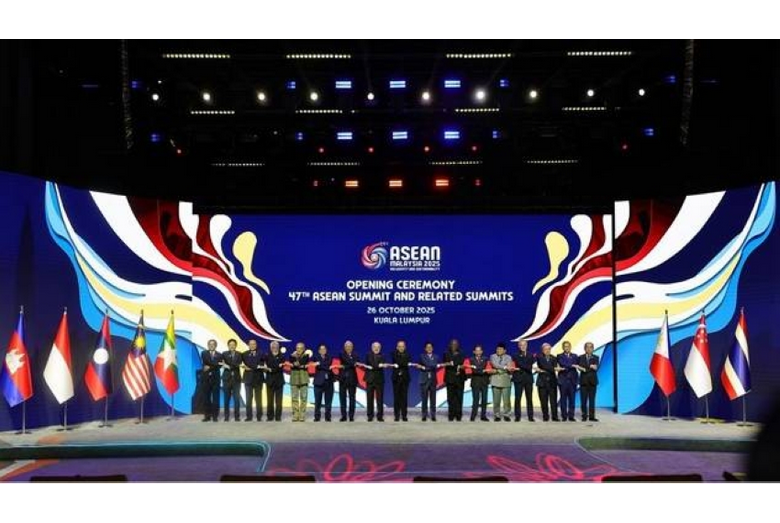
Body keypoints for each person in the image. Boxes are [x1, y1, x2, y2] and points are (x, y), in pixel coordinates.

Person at [511, 339, 535, 422]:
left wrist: (522, 367)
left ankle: (530, 416)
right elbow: (521, 364)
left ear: (527, 345)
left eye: (524, 345)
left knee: (529, 398)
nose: (523, 346)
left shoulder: (531, 355)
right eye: (521, 345)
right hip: (518, 379)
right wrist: (527, 366)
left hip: (528, 379)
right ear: (518, 346)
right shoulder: (515, 355)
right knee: (518, 398)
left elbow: (527, 366)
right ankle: (517, 416)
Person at [241, 339, 264, 421]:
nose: (252, 345)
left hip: (258, 379)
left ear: (256, 345)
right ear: (248, 345)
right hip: (248, 379)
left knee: (258, 399)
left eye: (254, 344)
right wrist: (247, 366)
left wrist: (250, 366)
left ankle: (259, 416)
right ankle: (249, 416)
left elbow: (260, 365)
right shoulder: (244, 354)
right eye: (251, 344)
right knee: (248, 399)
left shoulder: (261, 353)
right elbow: (243, 363)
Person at [200, 339, 223, 422]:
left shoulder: (220, 355)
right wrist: (216, 364)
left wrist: (210, 366)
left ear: (215, 345)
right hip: (206, 379)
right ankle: (207, 416)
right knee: (206, 398)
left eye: (213, 344)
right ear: (208, 345)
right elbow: (207, 361)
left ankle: (215, 416)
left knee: (216, 398)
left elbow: (219, 366)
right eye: (210, 344)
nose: (211, 345)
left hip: (216, 379)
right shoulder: (204, 353)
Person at [536, 342, 560, 421]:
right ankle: (545, 416)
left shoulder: (554, 358)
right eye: (545, 349)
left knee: (553, 401)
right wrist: (553, 368)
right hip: (542, 382)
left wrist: (545, 369)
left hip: (552, 382)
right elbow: (545, 366)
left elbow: (549, 368)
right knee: (543, 400)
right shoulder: (539, 357)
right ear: (542, 350)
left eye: (549, 349)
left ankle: (555, 416)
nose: (547, 351)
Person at [364, 341, 387, 422]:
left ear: (380, 348)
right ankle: (370, 415)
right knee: (369, 399)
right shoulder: (368, 355)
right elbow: (372, 364)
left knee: (380, 399)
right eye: (375, 347)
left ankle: (380, 416)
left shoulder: (383, 356)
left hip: (379, 380)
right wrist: (379, 365)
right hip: (370, 379)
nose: (376, 348)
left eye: (378, 347)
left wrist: (381, 365)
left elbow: (381, 365)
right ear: (372, 348)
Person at [416, 341, 440, 421]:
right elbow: (430, 364)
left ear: (432, 348)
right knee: (424, 398)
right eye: (427, 347)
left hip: (433, 379)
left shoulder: (436, 356)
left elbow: (433, 365)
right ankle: (424, 415)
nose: (429, 348)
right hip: (424, 379)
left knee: (433, 399)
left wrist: (424, 367)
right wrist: (432, 366)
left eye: (430, 347)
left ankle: (433, 414)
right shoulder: (422, 356)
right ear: (425, 349)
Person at [443, 338, 466, 421]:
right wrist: (452, 364)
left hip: (460, 378)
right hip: (450, 378)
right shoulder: (446, 353)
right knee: (450, 398)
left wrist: (455, 365)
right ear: (450, 345)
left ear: (458, 345)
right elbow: (446, 363)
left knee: (459, 398)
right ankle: (451, 415)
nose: (454, 346)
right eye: (452, 344)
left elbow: (462, 363)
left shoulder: (462, 353)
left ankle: (458, 415)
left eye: (455, 344)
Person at [489, 342, 512, 421]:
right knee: (496, 400)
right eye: (497, 349)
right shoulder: (492, 356)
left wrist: (498, 370)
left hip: (506, 381)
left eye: (500, 349)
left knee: (506, 400)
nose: (498, 350)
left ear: (505, 350)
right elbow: (495, 365)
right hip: (495, 380)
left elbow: (509, 366)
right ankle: (497, 415)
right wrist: (505, 368)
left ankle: (506, 414)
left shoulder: (508, 357)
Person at [557, 340, 579, 422]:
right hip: (563, 381)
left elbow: (573, 364)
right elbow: (562, 363)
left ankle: (571, 416)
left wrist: (569, 365)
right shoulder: (559, 356)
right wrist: (572, 365)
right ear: (563, 348)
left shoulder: (575, 356)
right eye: (565, 346)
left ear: (570, 347)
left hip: (573, 381)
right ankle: (564, 416)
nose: (567, 348)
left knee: (572, 399)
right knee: (563, 399)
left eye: (568, 346)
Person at [577, 341, 599, 422]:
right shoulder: (580, 357)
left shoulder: (596, 357)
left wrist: (585, 368)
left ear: (593, 349)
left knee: (592, 400)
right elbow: (580, 367)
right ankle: (584, 416)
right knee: (583, 400)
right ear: (584, 349)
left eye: (591, 347)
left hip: (593, 382)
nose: (589, 349)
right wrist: (589, 367)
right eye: (587, 347)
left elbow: (596, 368)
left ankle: (592, 416)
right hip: (583, 382)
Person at [221, 338, 243, 421]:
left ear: (236, 345)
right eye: (230, 345)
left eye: (233, 345)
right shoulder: (224, 354)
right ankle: (226, 416)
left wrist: (228, 366)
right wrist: (226, 365)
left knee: (236, 399)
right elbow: (221, 363)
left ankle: (237, 416)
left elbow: (238, 364)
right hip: (226, 379)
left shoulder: (240, 354)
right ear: (228, 346)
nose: (232, 346)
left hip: (236, 379)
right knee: (226, 398)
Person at [312, 343, 334, 422]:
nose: (323, 350)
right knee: (318, 401)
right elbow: (324, 366)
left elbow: (326, 365)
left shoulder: (330, 357)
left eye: (324, 349)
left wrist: (320, 364)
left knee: (328, 401)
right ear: (319, 351)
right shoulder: (315, 357)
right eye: (321, 349)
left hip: (329, 382)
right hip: (318, 382)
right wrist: (325, 366)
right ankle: (317, 416)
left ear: (326, 350)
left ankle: (328, 416)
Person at [337, 340, 359, 422]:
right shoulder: (341, 354)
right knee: (342, 398)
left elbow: (353, 363)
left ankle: (351, 416)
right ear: (344, 347)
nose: (348, 348)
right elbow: (350, 362)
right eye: (347, 346)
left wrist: (345, 366)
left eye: (350, 346)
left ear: (352, 347)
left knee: (352, 398)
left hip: (352, 379)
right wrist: (352, 363)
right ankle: (343, 416)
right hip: (343, 379)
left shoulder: (356, 355)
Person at [468, 345, 491, 421]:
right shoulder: (471, 359)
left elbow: (482, 368)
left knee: (484, 400)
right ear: (474, 352)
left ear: (482, 351)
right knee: (475, 400)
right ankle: (473, 416)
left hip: (484, 382)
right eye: (476, 350)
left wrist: (479, 369)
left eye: (479, 350)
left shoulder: (485, 359)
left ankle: (483, 416)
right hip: (475, 382)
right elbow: (474, 371)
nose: (478, 352)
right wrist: (483, 370)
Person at [289, 342, 310, 422]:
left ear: (304, 349)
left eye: (301, 348)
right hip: (294, 379)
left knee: (304, 398)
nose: (299, 350)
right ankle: (295, 414)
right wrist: (299, 365)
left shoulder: (306, 356)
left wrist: (297, 363)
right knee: (294, 398)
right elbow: (294, 363)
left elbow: (302, 362)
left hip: (304, 379)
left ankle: (302, 415)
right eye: (297, 348)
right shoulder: (291, 356)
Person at [265, 341, 285, 421]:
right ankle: (270, 416)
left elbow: (279, 368)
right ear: (270, 348)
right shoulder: (266, 356)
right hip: (269, 381)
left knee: (279, 401)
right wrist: (275, 367)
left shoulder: (282, 356)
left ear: (278, 347)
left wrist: (271, 369)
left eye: (276, 346)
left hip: (279, 381)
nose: (274, 348)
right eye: (273, 346)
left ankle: (278, 416)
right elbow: (265, 367)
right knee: (269, 400)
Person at [391, 340, 411, 421]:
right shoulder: (393, 354)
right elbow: (400, 362)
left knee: (404, 398)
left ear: (405, 347)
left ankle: (404, 415)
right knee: (396, 398)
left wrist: (402, 363)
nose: (401, 348)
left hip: (405, 378)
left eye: (402, 346)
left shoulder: (408, 354)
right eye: (399, 346)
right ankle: (396, 415)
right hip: (396, 378)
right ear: (397, 347)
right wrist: (403, 363)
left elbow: (403, 363)